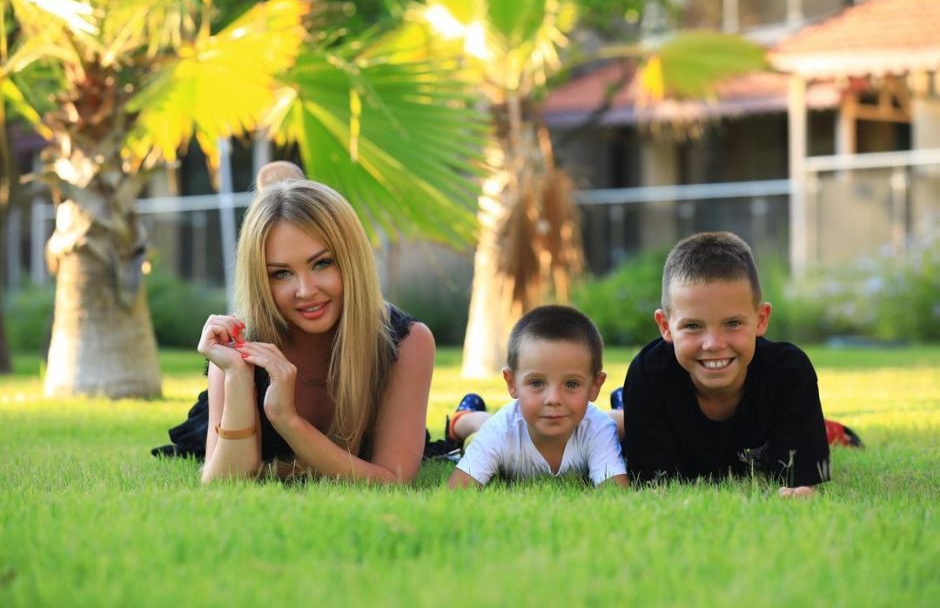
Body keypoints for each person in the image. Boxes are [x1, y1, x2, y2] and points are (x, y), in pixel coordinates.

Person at [153, 171, 435, 484]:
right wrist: (237, 377)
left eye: (322, 263)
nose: (305, 290)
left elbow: (393, 480)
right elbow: (225, 483)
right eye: (281, 274)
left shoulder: (405, 341)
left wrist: (286, 419)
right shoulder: (239, 344)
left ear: (352, 260)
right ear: (260, 279)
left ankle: (465, 421)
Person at [619, 231, 830, 497]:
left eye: (732, 323)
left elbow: (800, 483)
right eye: (693, 326)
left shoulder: (789, 373)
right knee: (616, 424)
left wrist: (800, 491)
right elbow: (653, 486)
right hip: (644, 405)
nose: (714, 344)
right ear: (665, 326)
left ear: (761, 319)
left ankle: (832, 428)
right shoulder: (647, 375)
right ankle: (617, 416)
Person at [448, 305, 628, 489]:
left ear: (594, 386)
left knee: (623, 423)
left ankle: (623, 407)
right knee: (482, 426)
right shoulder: (500, 430)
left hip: (593, 420)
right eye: (536, 383)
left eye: (571, 384)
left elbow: (614, 491)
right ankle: (464, 415)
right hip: (500, 424)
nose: (553, 399)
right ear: (512, 383)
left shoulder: (598, 428)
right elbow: (457, 490)